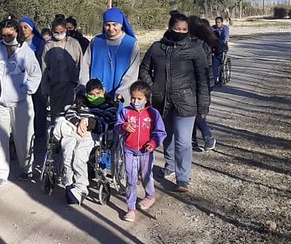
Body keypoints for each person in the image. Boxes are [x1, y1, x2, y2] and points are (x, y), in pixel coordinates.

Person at [139, 13, 210, 192]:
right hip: (161, 101)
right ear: (170, 28)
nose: (180, 32)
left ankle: (183, 178)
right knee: (167, 136)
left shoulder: (195, 49)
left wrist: (203, 105)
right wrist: (152, 88)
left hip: (186, 102)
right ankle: (169, 166)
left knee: (183, 141)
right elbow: (144, 69)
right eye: (177, 29)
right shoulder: (157, 48)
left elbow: (203, 78)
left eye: (184, 30)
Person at [0, 18, 42, 187]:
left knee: (24, 139)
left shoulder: (26, 52)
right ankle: (0, 173)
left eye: (10, 34)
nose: (7, 37)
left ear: (17, 32)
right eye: (3, 34)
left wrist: (25, 89)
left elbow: (36, 74)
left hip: (21, 103)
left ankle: (27, 169)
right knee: (0, 139)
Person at [54, 78, 116, 204]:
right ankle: (69, 182)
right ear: (87, 94)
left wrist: (88, 122)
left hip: (94, 134)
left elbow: (107, 123)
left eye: (98, 93)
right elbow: (70, 113)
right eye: (92, 95)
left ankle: (81, 187)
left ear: (103, 92)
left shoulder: (109, 106)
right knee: (67, 151)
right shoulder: (81, 102)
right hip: (76, 131)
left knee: (79, 156)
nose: (95, 97)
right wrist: (78, 122)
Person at [115, 81, 165, 222]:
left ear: (146, 99)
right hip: (129, 150)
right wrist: (124, 126)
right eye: (133, 98)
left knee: (146, 175)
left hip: (146, 152)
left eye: (139, 99)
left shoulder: (153, 113)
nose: (135, 101)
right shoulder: (125, 111)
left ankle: (150, 195)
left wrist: (153, 143)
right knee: (130, 178)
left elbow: (160, 132)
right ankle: (130, 208)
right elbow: (117, 126)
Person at [79, 8, 140, 102]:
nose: (111, 28)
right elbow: (85, 65)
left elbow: (132, 73)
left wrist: (122, 92)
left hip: (119, 97)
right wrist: (86, 86)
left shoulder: (131, 44)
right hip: (95, 95)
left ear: (121, 24)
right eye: (107, 25)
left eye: (114, 25)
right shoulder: (96, 41)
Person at [41, 15, 82, 116]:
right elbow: (44, 70)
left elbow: (81, 64)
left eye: (61, 32)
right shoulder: (48, 47)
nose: (59, 34)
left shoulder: (74, 43)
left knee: (71, 116)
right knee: (57, 117)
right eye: (56, 32)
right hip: (55, 88)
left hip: (72, 87)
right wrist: (45, 90)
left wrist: (81, 85)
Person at [189, 17, 218, 151]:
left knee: (196, 114)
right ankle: (192, 139)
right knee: (191, 113)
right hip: (200, 84)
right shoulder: (203, 43)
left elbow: (205, 70)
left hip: (200, 84)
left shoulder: (201, 45)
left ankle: (208, 136)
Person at [20, 17, 49, 151]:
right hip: (22, 80)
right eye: (21, 27)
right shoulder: (19, 43)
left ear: (31, 28)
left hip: (38, 79)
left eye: (25, 27)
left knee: (39, 107)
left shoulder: (39, 43)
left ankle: (40, 135)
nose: (23, 30)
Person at [211, 17, 230, 84]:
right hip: (214, 46)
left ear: (222, 22)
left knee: (219, 60)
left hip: (222, 46)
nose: (217, 23)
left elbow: (226, 37)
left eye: (219, 22)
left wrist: (222, 42)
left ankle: (218, 76)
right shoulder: (212, 28)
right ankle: (214, 77)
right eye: (216, 22)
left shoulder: (225, 28)